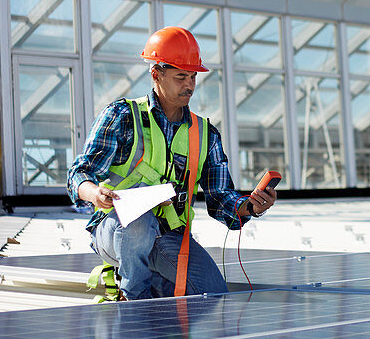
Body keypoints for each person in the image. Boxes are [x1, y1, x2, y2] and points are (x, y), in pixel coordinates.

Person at [68, 26, 277, 301]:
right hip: (115, 230)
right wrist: (94, 193)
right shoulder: (121, 116)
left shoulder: (204, 134)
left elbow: (220, 197)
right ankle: (134, 300)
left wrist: (248, 206)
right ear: (156, 74)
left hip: (167, 236)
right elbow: (78, 174)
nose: (189, 85)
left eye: (193, 77)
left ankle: (160, 307)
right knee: (138, 224)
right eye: (181, 77)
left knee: (213, 293)